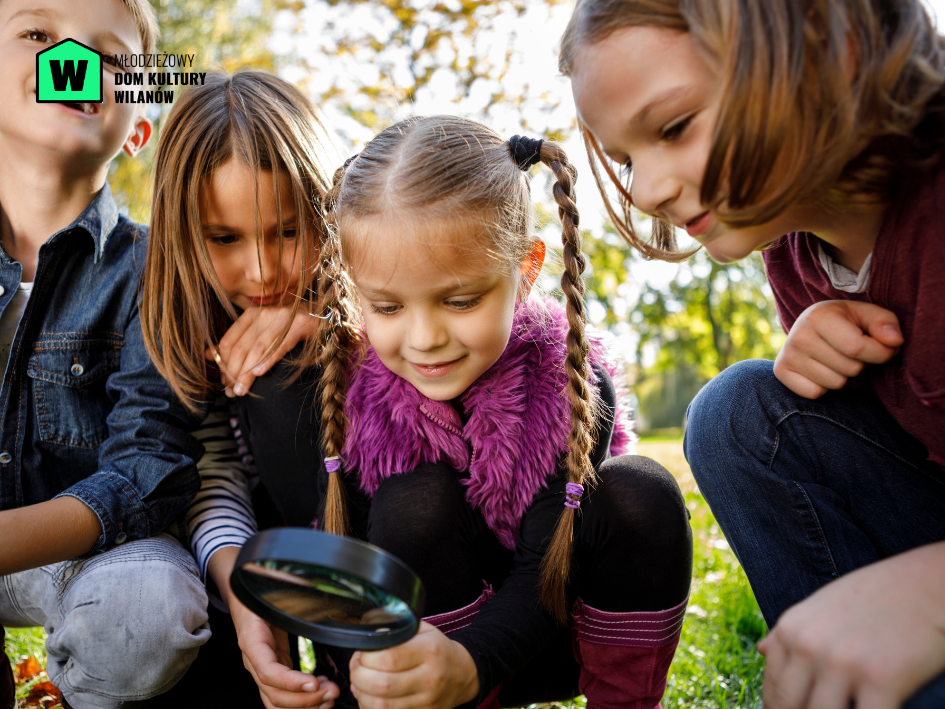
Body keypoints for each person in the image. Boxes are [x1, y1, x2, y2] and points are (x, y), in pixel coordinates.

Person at [558, 1, 945, 707]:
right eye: (626, 159)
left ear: (831, 43)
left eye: (673, 127)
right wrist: (821, 368)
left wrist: (928, 594)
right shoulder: (796, 258)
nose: (646, 190)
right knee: (736, 411)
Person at [312, 115, 693, 709]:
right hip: (433, 652)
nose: (424, 338)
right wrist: (365, 669)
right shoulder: (357, 398)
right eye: (387, 307)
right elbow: (341, 565)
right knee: (415, 502)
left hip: (558, 629)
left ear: (526, 269)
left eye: (460, 300)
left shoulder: (565, 387)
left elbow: (545, 571)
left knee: (641, 491)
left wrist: (472, 664)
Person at [0, 1, 213, 707]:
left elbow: (143, 471)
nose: (74, 67)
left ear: (139, 126)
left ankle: (79, 691)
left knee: (148, 608)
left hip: (85, 553)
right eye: (37, 36)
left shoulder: (159, 269)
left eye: (112, 60)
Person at [139, 70, 345, 709]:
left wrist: (333, 324)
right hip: (240, 555)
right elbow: (213, 474)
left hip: (361, 551)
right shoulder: (177, 316)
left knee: (286, 383)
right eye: (224, 238)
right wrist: (246, 590)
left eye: (287, 230)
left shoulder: (376, 292)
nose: (261, 270)